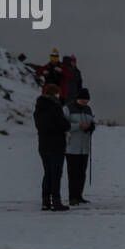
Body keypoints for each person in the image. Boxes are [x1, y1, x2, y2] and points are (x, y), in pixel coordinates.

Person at [33, 83, 71, 211]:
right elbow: (62, 123)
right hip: (56, 144)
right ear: (54, 94)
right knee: (56, 174)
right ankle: (56, 201)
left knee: (47, 173)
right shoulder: (55, 106)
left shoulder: (38, 108)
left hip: (43, 144)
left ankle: (45, 201)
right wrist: (66, 126)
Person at [64, 87, 96, 205]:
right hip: (72, 147)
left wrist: (91, 127)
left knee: (82, 173)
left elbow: (92, 123)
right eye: (82, 99)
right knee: (73, 173)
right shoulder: (68, 108)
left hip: (85, 148)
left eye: (86, 99)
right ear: (77, 98)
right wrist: (78, 126)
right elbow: (64, 124)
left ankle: (79, 196)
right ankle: (72, 197)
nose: (84, 101)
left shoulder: (88, 109)